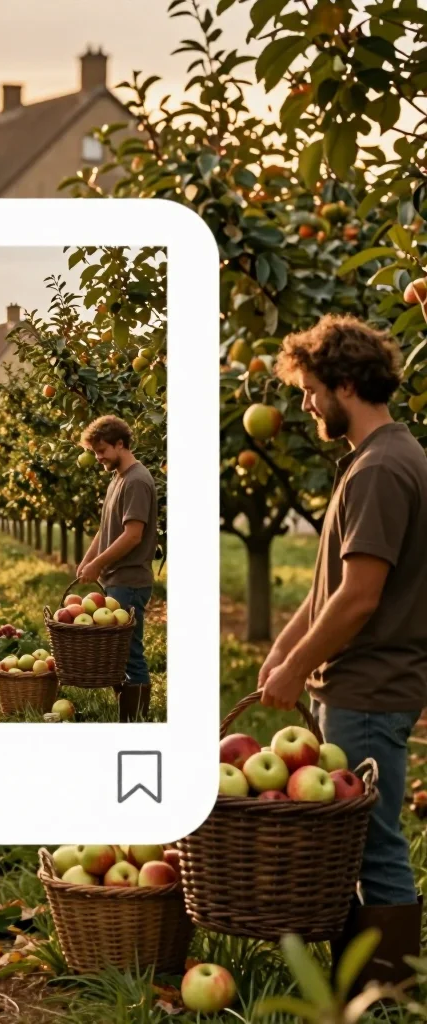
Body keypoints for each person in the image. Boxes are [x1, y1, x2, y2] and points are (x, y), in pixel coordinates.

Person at [257, 314, 427, 987]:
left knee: (372, 847)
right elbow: (330, 584)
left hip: (367, 686)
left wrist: (299, 667)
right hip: (361, 684)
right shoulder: (380, 458)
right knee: (360, 844)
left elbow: (359, 597)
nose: (304, 403)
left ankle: (386, 995)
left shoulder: (382, 469)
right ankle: (365, 986)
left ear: (345, 384)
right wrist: (283, 650)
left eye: (309, 389)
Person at [76, 415, 158, 722]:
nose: (98, 458)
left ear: (120, 444)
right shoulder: (118, 479)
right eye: (95, 452)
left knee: (129, 653)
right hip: (115, 579)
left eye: (102, 451)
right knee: (117, 655)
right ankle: (126, 717)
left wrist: (98, 564)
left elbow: (133, 535)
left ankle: (134, 722)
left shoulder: (136, 481)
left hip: (130, 581)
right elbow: (105, 529)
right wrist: (88, 560)